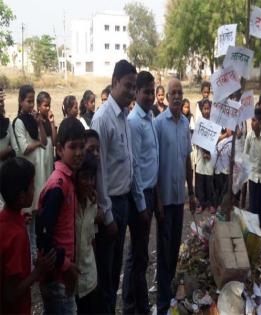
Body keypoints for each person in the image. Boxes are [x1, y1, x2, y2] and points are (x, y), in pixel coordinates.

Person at [91, 59, 136, 314]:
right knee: (105, 276)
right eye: (127, 86)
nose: (131, 92)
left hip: (123, 201)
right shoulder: (103, 119)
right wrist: (107, 215)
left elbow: (127, 162)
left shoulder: (124, 116)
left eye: (133, 87)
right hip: (110, 205)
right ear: (114, 82)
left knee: (114, 267)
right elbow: (99, 173)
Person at [36, 117, 86, 314]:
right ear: (59, 150)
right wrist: (67, 266)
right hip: (57, 276)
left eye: (81, 147)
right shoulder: (58, 185)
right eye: (72, 147)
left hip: (62, 274)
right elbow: (43, 235)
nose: (79, 153)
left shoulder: (69, 180)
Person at [154, 78, 195, 315]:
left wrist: (192, 192)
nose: (178, 96)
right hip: (164, 200)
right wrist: (157, 199)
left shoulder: (184, 124)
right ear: (167, 97)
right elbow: (155, 164)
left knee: (174, 251)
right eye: (174, 93)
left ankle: (170, 297)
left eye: (180, 92)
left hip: (180, 199)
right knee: (163, 252)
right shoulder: (158, 124)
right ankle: (162, 304)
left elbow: (187, 160)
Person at [0, 157, 56, 315]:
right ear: (22, 196)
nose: (35, 189)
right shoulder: (16, 236)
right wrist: (39, 271)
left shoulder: (7, 219)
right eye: (32, 186)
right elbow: (11, 294)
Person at [123, 71, 159, 315]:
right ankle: (137, 307)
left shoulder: (149, 116)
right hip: (141, 195)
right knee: (138, 258)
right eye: (145, 92)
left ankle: (130, 304)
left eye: (152, 92)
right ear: (136, 93)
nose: (150, 96)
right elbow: (134, 166)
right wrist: (141, 205)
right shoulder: (135, 122)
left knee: (135, 254)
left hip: (151, 192)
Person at [12, 85, 48, 260]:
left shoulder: (34, 120)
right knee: (26, 223)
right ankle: (28, 260)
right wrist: (37, 144)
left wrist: (40, 123)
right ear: (20, 101)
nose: (31, 105)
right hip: (26, 177)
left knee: (35, 222)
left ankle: (34, 259)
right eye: (28, 101)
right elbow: (24, 148)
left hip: (38, 175)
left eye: (32, 101)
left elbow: (44, 142)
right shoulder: (18, 122)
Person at [75, 152, 99, 314]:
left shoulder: (93, 204)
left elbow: (92, 239)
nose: (89, 183)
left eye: (92, 177)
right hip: (72, 279)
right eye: (84, 177)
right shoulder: (69, 203)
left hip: (89, 277)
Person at [245, 108, 261, 231]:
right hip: (252, 176)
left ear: (260, 123)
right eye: (251, 120)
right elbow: (245, 155)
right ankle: (254, 230)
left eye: (254, 120)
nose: (252, 123)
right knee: (253, 205)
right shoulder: (249, 137)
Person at [195, 99, 216, 214]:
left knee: (209, 182)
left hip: (210, 157)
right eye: (205, 108)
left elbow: (214, 140)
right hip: (200, 156)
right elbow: (197, 139)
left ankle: (211, 204)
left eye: (208, 109)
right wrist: (203, 151)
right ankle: (201, 204)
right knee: (200, 182)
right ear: (202, 110)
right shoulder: (199, 123)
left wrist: (208, 153)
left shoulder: (213, 124)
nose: (206, 111)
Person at [36, 91, 57, 183]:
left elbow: (54, 142)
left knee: (49, 177)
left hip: (49, 154)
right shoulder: (35, 120)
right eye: (45, 105)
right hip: (41, 153)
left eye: (49, 105)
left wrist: (52, 122)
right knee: (41, 178)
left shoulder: (49, 119)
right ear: (38, 106)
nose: (48, 108)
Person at [0, 87, 15, 170]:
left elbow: (14, 146)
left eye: (2, 101)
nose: (1, 104)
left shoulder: (6, 122)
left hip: (6, 172)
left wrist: (10, 150)